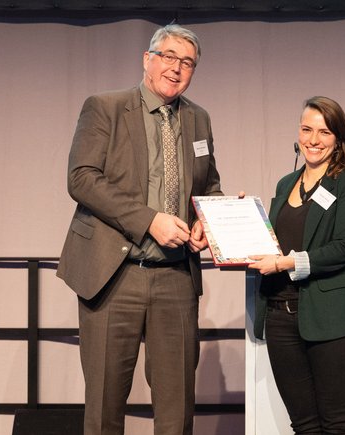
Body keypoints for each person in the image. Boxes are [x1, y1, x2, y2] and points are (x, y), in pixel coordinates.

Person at [56, 24, 222, 435]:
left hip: (175, 279)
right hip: (115, 275)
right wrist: (149, 220)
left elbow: (210, 185)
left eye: (187, 62)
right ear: (147, 60)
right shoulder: (106, 107)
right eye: (168, 56)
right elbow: (81, 177)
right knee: (104, 408)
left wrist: (206, 222)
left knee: (176, 409)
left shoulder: (198, 119)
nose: (176, 68)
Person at [249, 96, 345, 434]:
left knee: (338, 425)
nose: (313, 140)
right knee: (303, 426)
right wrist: (243, 220)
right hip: (280, 318)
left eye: (324, 132)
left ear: (338, 138)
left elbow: (343, 248)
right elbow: (272, 243)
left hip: (331, 317)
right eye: (307, 129)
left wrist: (287, 263)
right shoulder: (284, 185)